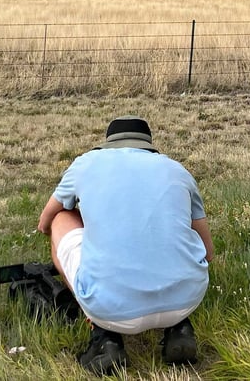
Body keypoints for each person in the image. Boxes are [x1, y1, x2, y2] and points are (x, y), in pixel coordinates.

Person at [38, 115, 215, 375]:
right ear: (149, 145)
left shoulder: (86, 164)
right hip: (186, 300)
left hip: (109, 310)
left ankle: (102, 335)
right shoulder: (178, 171)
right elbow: (208, 252)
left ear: (108, 144)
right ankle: (178, 327)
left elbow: (45, 221)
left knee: (61, 217)